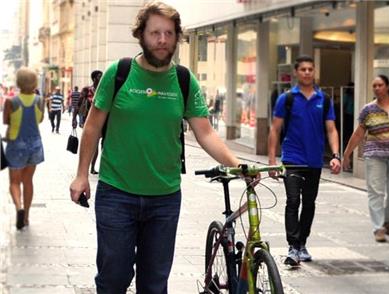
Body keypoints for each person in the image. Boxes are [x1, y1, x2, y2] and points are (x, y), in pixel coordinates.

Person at [68, 2, 241, 292]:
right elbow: (93, 126)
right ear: (141, 35)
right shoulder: (118, 73)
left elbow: (206, 133)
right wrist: (82, 174)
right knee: (113, 278)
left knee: (154, 283)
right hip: (116, 194)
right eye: (155, 33)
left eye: (169, 33)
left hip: (164, 198)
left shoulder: (184, 80)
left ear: (177, 37)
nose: (162, 40)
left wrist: (239, 165)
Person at [267, 55, 341, 266]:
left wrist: (335, 155)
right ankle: (292, 246)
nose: (307, 72)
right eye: (303, 69)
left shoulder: (324, 100)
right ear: (297, 72)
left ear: (314, 71)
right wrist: (273, 160)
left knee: (308, 204)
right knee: (293, 201)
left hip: (314, 161)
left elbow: (331, 129)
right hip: (292, 158)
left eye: (310, 69)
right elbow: (275, 129)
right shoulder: (287, 98)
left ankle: (301, 243)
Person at [342, 75, 389, 242]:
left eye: (380, 85)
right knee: (375, 191)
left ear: (387, 86)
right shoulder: (368, 110)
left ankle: (386, 219)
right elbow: (358, 134)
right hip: (374, 154)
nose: (377, 88)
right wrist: (347, 154)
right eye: (374, 86)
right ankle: (378, 227)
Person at [3, 67, 45, 230]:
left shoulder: (11, 102)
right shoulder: (39, 101)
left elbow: (6, 121)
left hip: (16, 144)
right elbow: (40, 120)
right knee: (28, 181)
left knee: (14, 182)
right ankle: (26, 216)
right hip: (35, 144)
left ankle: (19, 208)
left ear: (19, 82)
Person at [73, 71, 102, 174]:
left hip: (102, 121)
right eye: (99, 76)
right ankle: (85, 167)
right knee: (91, 144)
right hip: (88, 121)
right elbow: (78, 104)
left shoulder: (103, 90)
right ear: (94, 79)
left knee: (99, 144)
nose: (101, 78)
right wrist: (74, 119)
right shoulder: (87, 90)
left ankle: (93, 167)